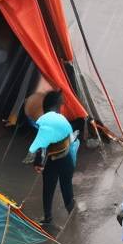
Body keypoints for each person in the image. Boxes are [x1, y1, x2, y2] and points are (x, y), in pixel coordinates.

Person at [28, 91, 78, 227]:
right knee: (66, 187)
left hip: (51, 163)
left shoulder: (44, 123)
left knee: (48, 190)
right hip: (66, 159)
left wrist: (38, 163)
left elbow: (42, 146)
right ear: (58, 106)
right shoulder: (62, 120)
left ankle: (48, 218)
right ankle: (73, 216)